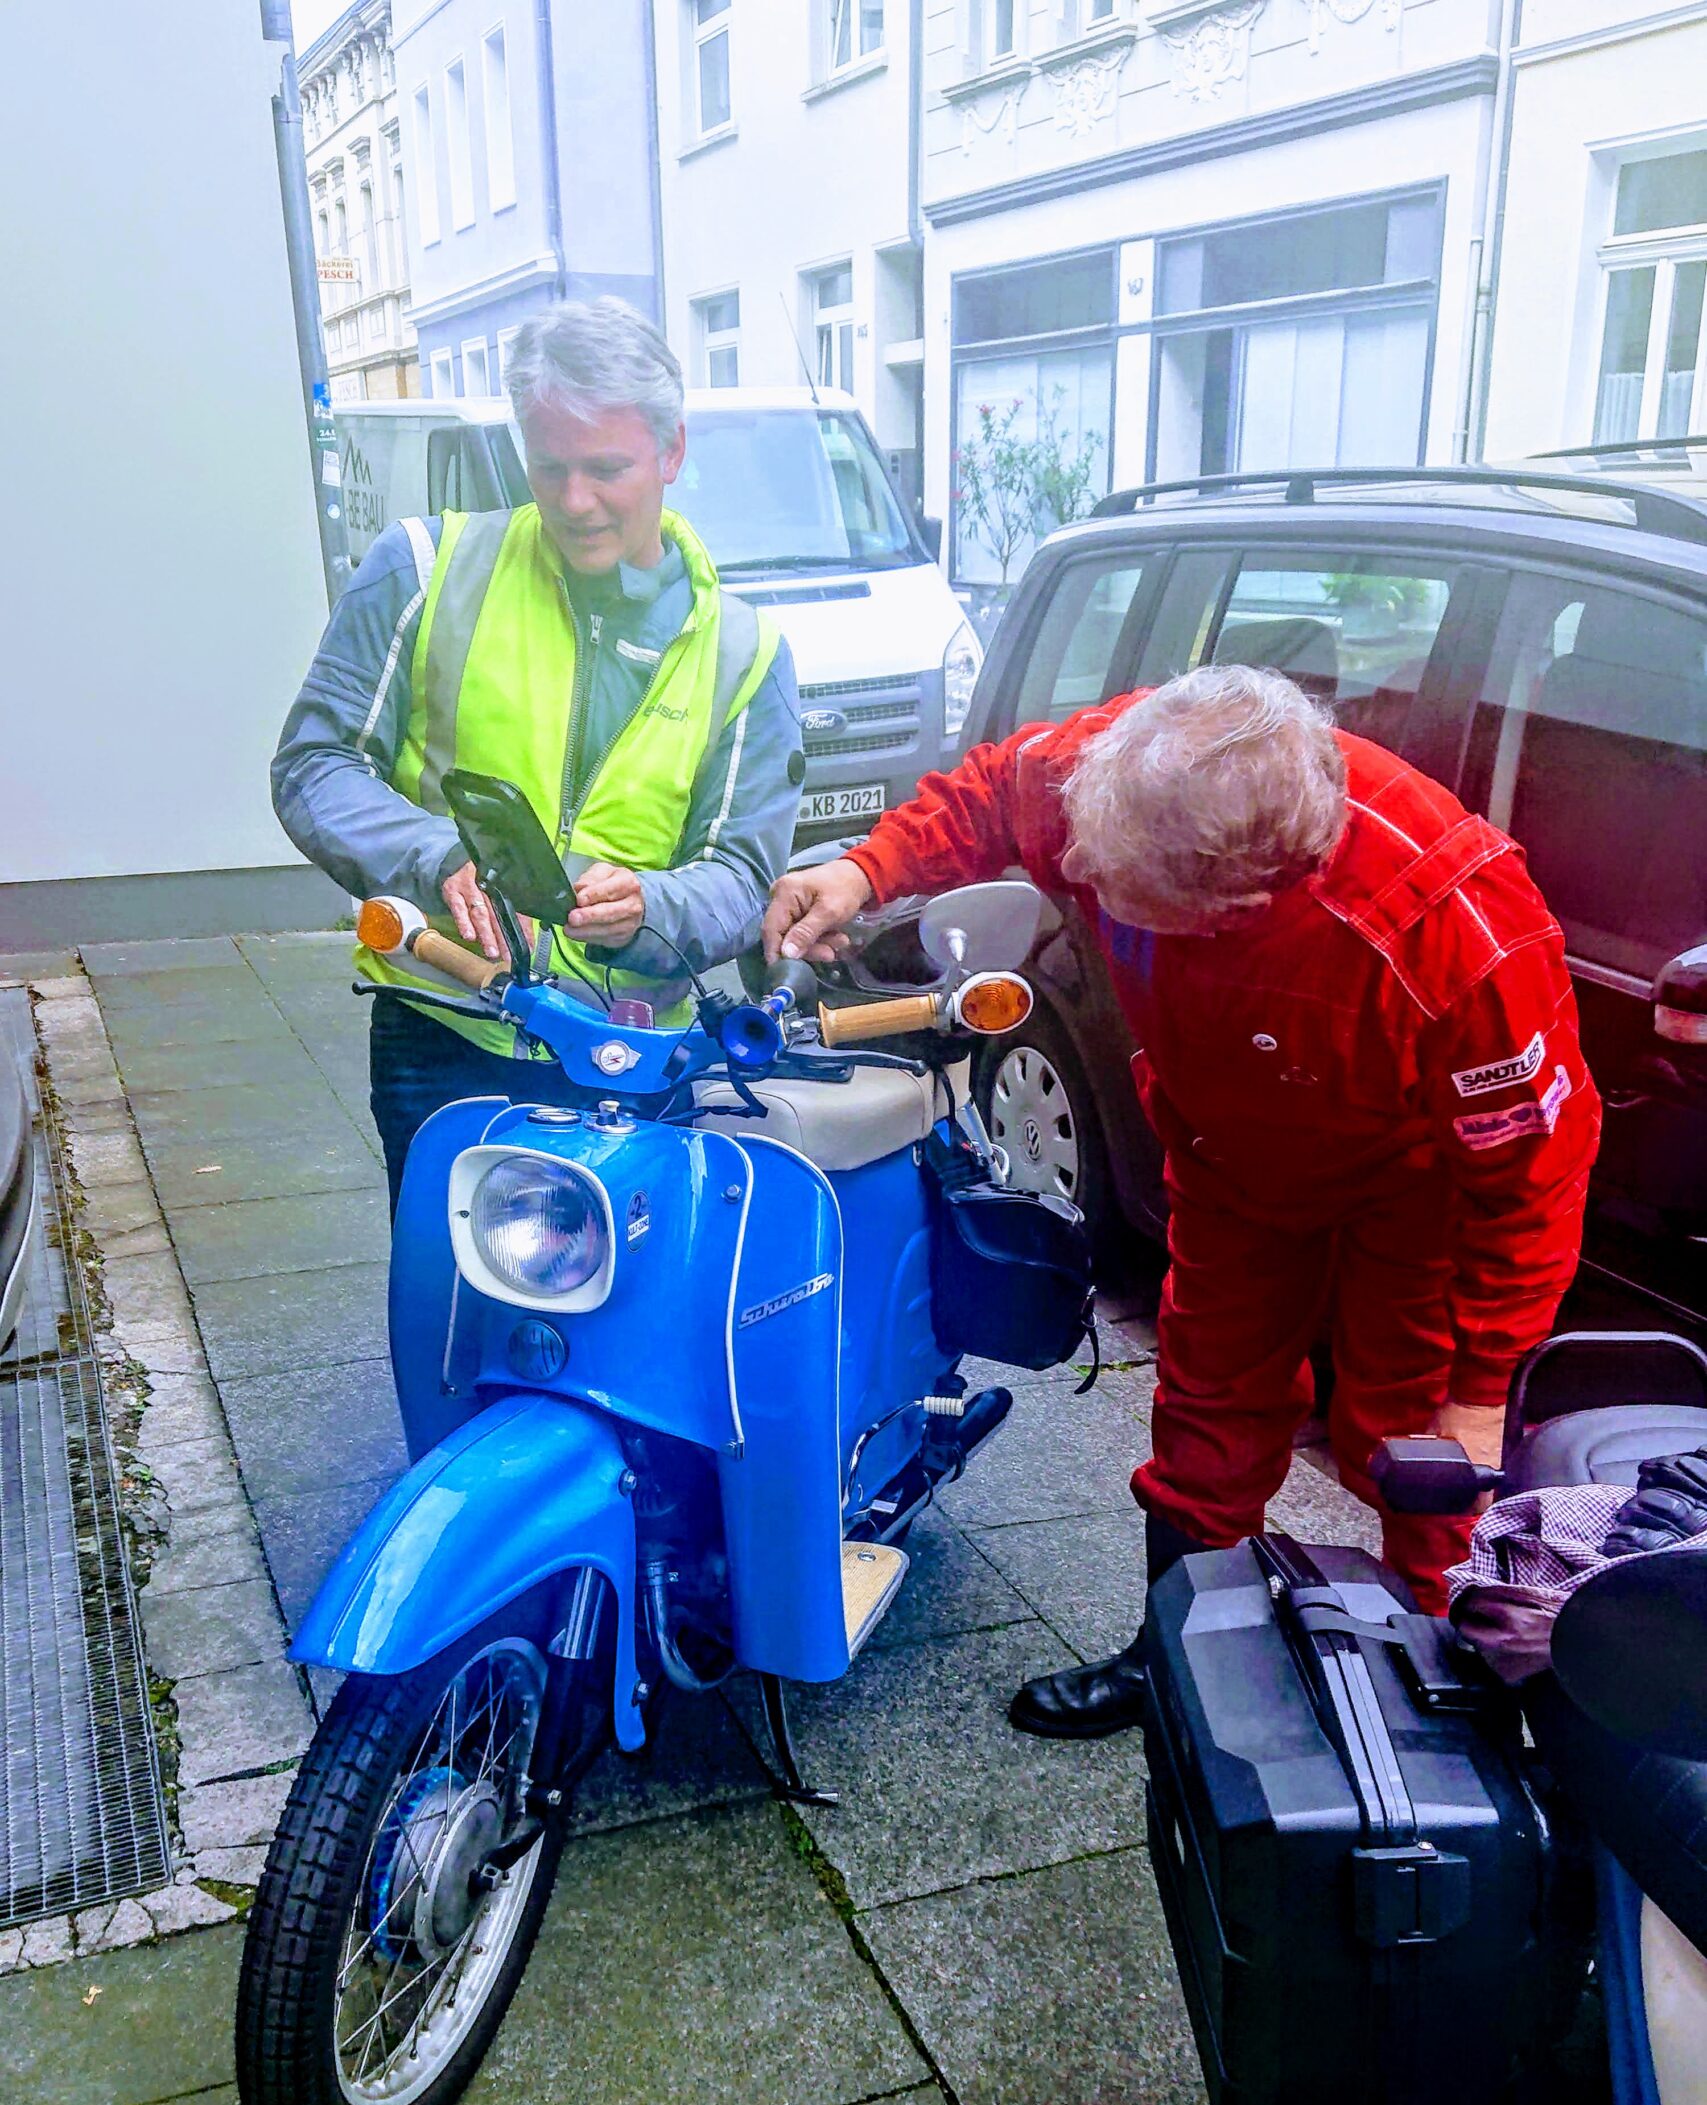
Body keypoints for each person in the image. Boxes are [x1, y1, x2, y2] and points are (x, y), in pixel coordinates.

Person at [764, 665, 1601, 1736]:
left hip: (1413, 1189)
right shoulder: (1120, 777)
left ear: (1234, 902)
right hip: (1226, 1156)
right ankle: (1174, 1654)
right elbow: (990, 797)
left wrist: (1482, 1390)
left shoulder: (1451, 931)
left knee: (1417, 1434)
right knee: (1207, 1403)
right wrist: (863, 868)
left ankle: (1449, 1681)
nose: (1072, 871)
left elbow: (1533, 1178)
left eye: (1110, 880)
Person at [273, 297, 804, 1210]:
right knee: (451, 1296)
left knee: (628, 1299)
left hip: (632, 1053)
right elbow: (313, 766)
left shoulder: (746, 652)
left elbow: (744, 878)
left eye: (606, 469)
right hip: (446, 1029)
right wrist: (440, 858)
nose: (573, 501)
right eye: (549, 466)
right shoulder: (422, 569)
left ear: (672, 452)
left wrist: (650, 909)